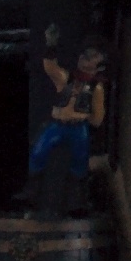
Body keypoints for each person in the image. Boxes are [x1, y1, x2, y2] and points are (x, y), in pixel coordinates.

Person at [27, 40, 109, 218]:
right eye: (84, 57)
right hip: (58, 125)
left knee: (80, 162)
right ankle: (31, 194)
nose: (86, 61)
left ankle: (76, 202)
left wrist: (85, 115)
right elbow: (51, 68)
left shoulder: (96, 88)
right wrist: (50, 47)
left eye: (92, 58)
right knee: (39, 151)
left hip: (78, 128)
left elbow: (97, 117)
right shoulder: (67, 78)